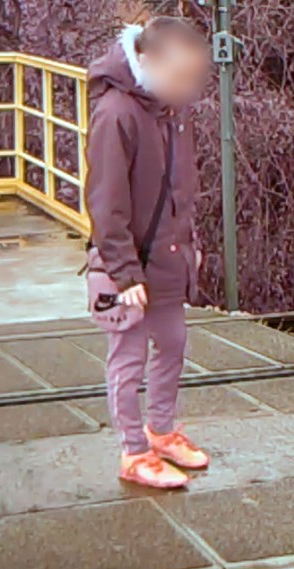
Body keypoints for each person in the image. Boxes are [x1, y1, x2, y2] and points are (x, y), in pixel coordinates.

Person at [84, 17, 213, 488]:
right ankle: (133, 451)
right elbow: (105, 201)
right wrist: (124, 273)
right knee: (128, 357)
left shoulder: (169, 108)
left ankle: (160, 430)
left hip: (167, 256)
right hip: (129, 266)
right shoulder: (117, 113)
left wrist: (190, 246)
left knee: (174, 343)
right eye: (181, 77)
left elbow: (181, 188)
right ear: (149, 61)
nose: (187, 89)